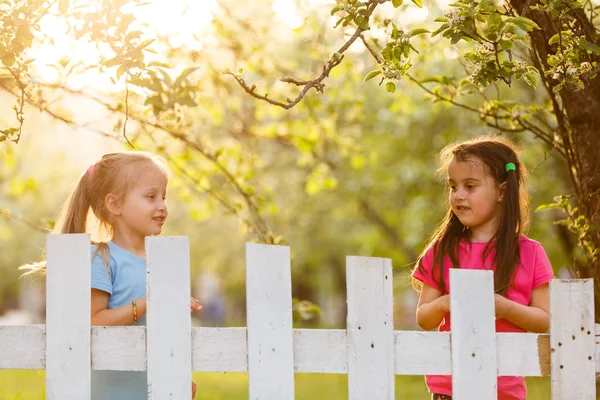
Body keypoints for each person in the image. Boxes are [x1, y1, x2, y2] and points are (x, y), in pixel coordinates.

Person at [21, 151, 201, 399]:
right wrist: (148, 303)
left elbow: (165, 334)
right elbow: (93, 322)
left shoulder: (162, 262)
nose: (162, 205)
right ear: (114, 204)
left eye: (163, 196)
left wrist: (178, 375)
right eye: (151, 196)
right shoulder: (103, 258)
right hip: (113, 392)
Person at [411, 137, 554, 400]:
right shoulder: (443, 250)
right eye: (453, 187)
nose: (459, 195)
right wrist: (445, 303)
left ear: (501, 191)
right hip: (449, 390)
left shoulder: (530, 253)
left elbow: (544, 319)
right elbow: (424, 318)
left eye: (470, 186)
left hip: (504, 391)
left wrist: (503, 306)